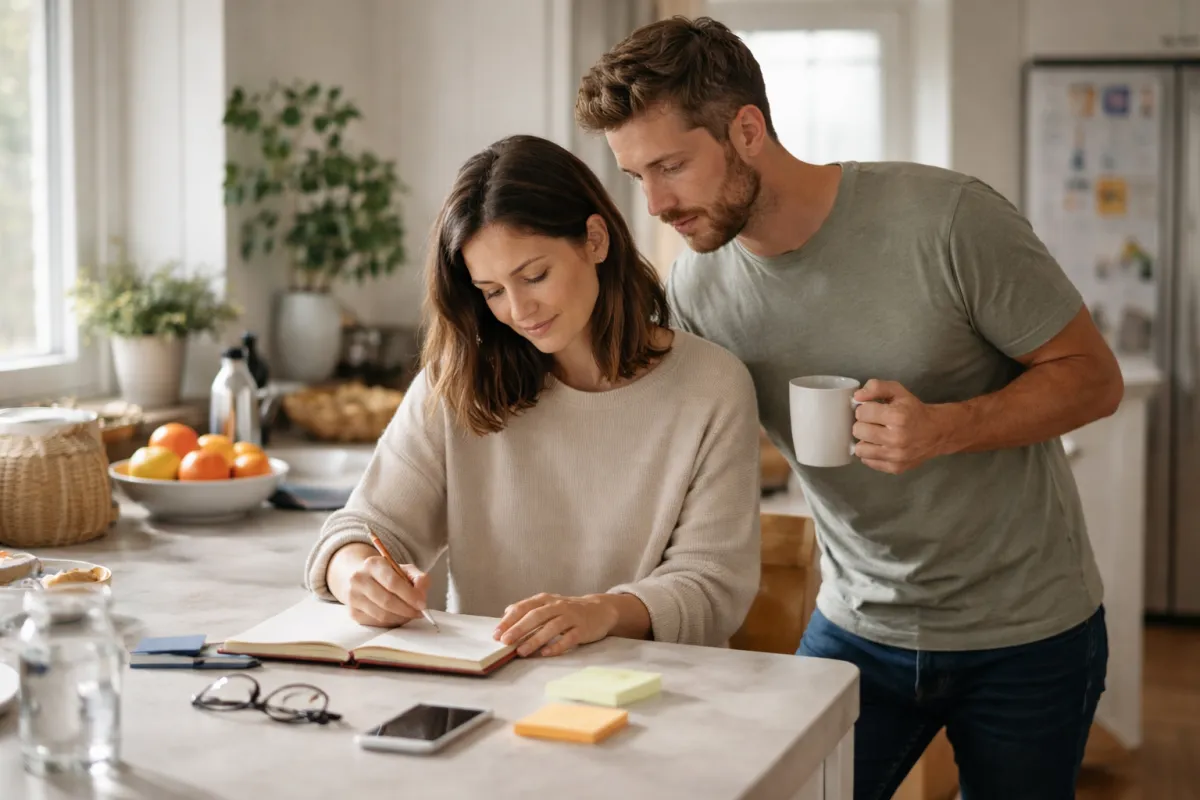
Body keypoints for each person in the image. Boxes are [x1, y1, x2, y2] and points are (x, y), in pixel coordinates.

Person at [576, 16, 1124, 800]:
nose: (656, 203)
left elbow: (1093, 378)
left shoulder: (949, 220)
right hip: (858, 625)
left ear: (747, 130)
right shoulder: (699, 290)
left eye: (671, 166)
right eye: (637, 177)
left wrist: (945, 428)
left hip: (1030, 632)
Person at [303, 133, 761, 659]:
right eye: (493, 291)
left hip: (659, 694)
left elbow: (712, 586)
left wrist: (600, 613)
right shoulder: (457, 382)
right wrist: (356, 573)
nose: (518, 311)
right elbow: (362, 528)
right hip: (491, 691)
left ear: (594, 239)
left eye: (534, 275)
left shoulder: (712, 386)